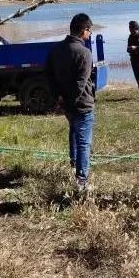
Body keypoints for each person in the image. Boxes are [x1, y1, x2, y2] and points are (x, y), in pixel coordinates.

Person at [45, 13, 96, 189]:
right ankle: (82, 180)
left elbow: (48, 76)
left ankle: (74, 164)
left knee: (74, 132)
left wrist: (58, 98)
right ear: (84, 31)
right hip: (81, 105)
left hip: (66, 103)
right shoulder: (84, 52)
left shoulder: (56, 49)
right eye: (89, 31)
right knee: (84, 142)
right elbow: (81, 83)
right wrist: (69, 101)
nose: (89, 35)